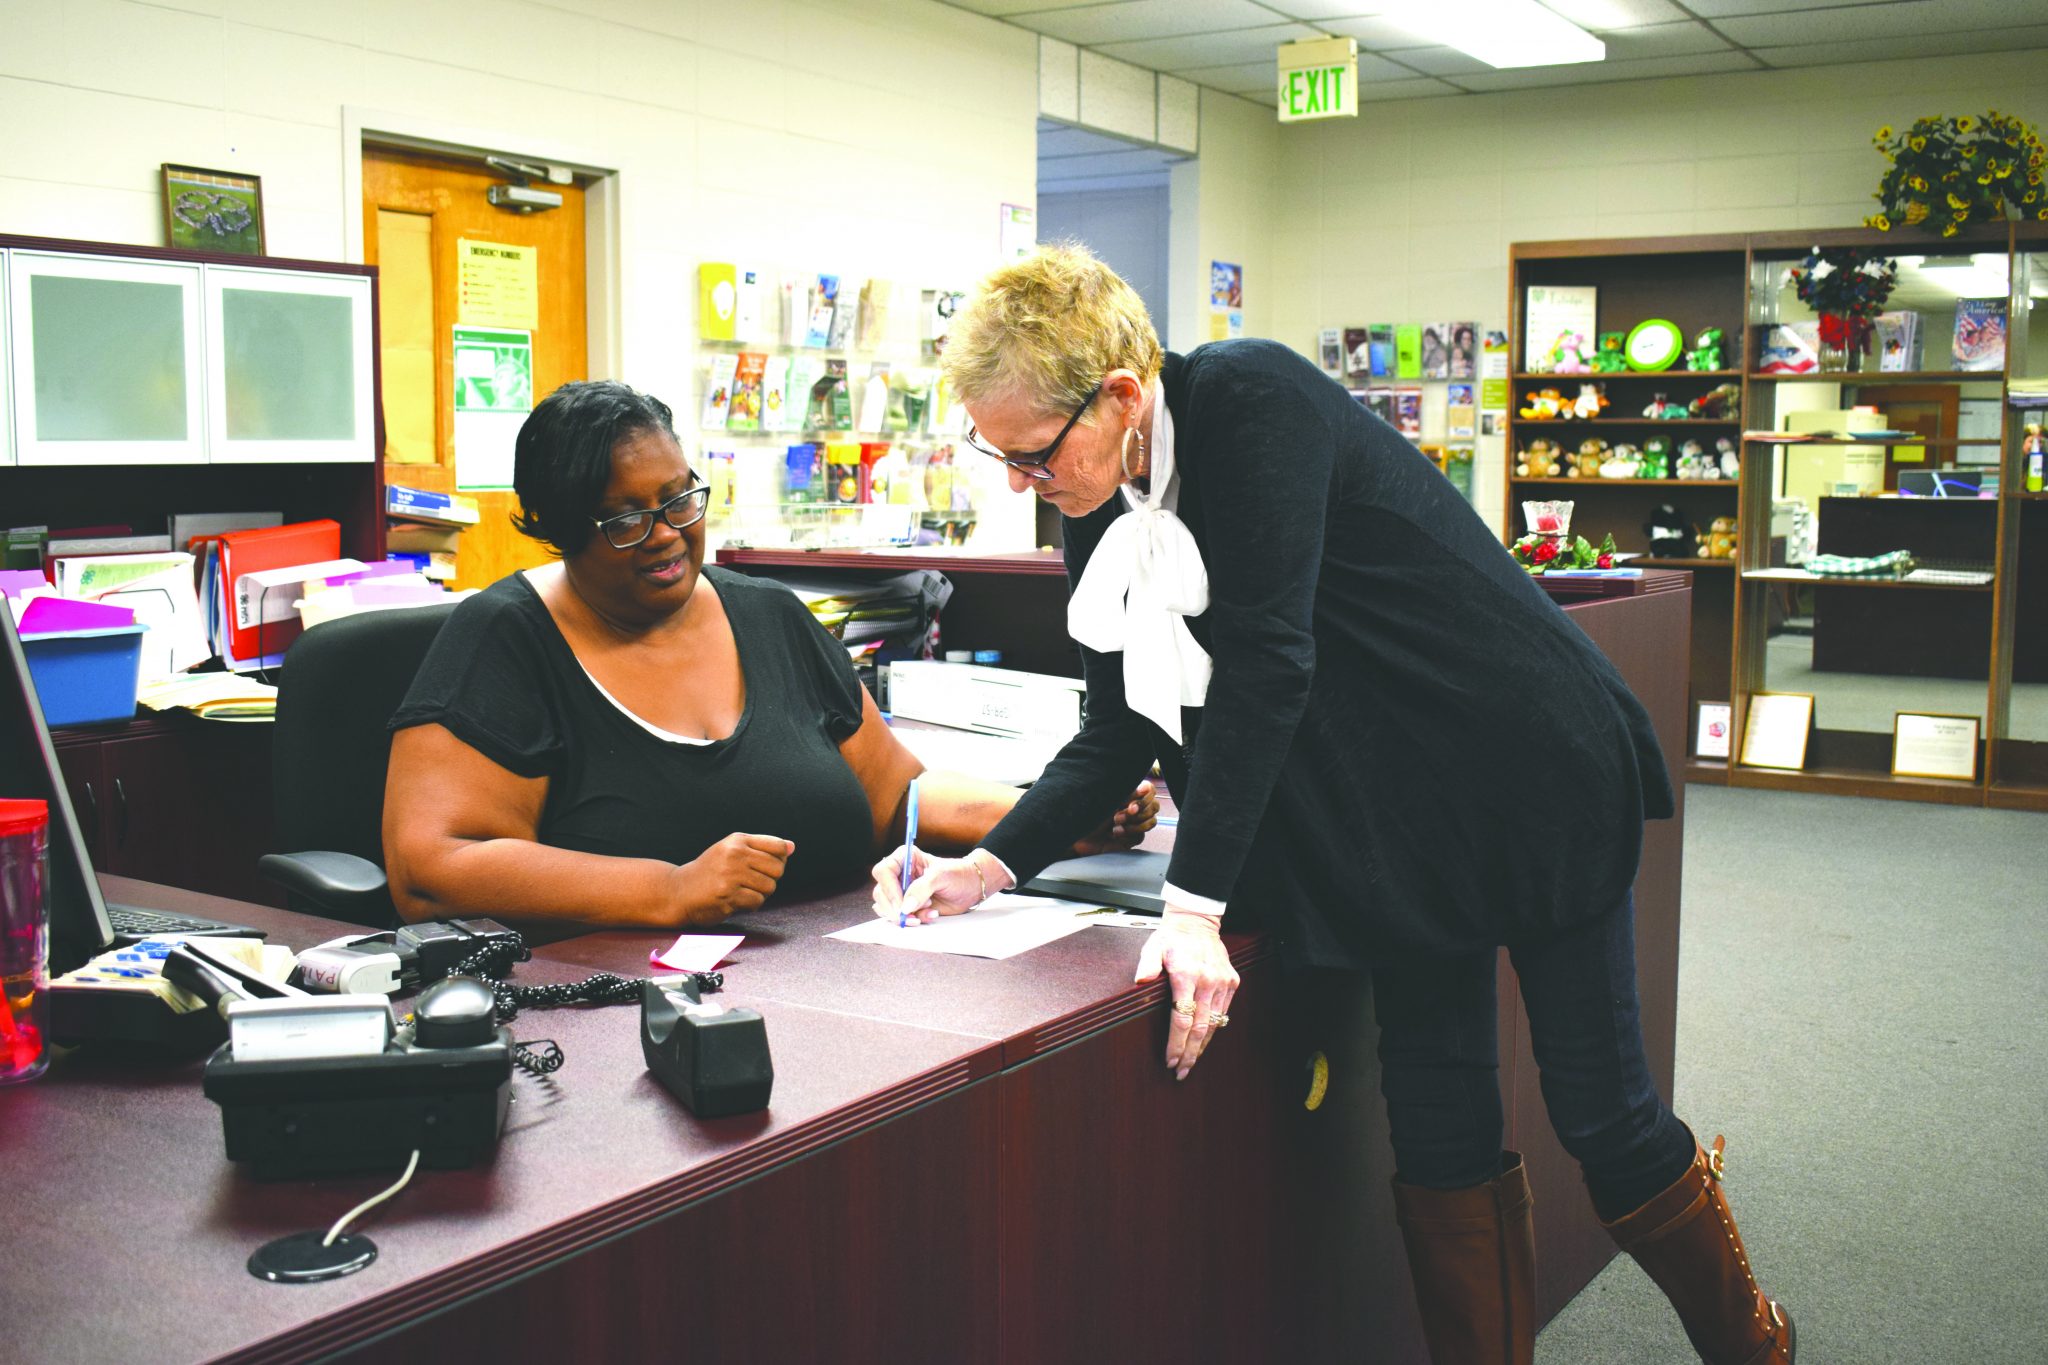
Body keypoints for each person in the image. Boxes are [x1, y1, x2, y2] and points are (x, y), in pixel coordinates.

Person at [870, 246, 1793, 1365]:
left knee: (1603, 1118)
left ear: (1117, 397)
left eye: (1027, 452)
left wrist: (1193, 908)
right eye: (994, 454)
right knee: (1440, 1129)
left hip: (1520, 767)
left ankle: (1752, 1345)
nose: (1017, 481)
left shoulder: (1251, 400)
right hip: (1386, 817)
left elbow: (1266, 661)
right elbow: (1118, 724)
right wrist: (993, 863)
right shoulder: (1095, 493)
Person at [383, 380, 1154, 932]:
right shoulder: (508, 640)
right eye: (623, 519)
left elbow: (898, 796)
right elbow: (429, 866)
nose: (664, 534)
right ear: (557, 529)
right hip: (617, 1008)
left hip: (842, 967)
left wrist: (1061, 820)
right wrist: (668, 890)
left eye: (680, 500)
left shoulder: (769, 615)